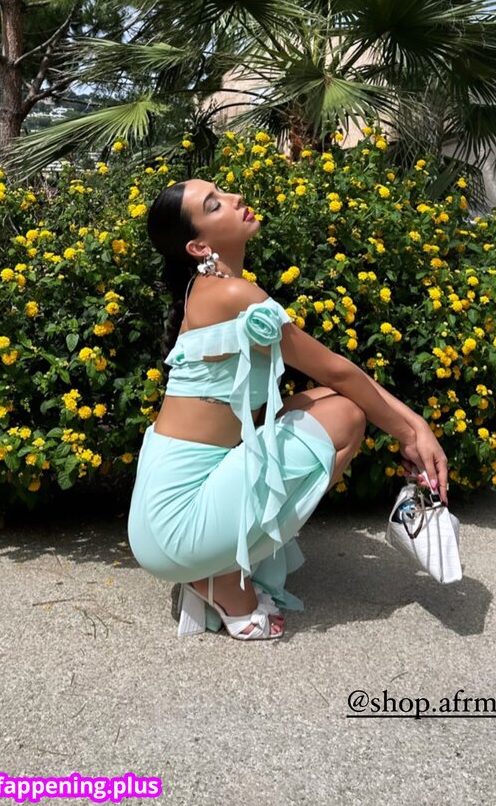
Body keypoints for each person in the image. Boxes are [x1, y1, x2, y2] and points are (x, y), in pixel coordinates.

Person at [127, 177, 449, 641]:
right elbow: (337, 369)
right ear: (199, 247)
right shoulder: (232, 295)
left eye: (222, 192)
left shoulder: (212, 289)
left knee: (327, 404)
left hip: (166, 499)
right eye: (215, 205)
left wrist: (414, 428)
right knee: (346, 418)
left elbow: (333, 384)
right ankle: (217, 576)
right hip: (176, 521)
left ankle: (215, 562)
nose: (236, 198)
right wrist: (413, 432)